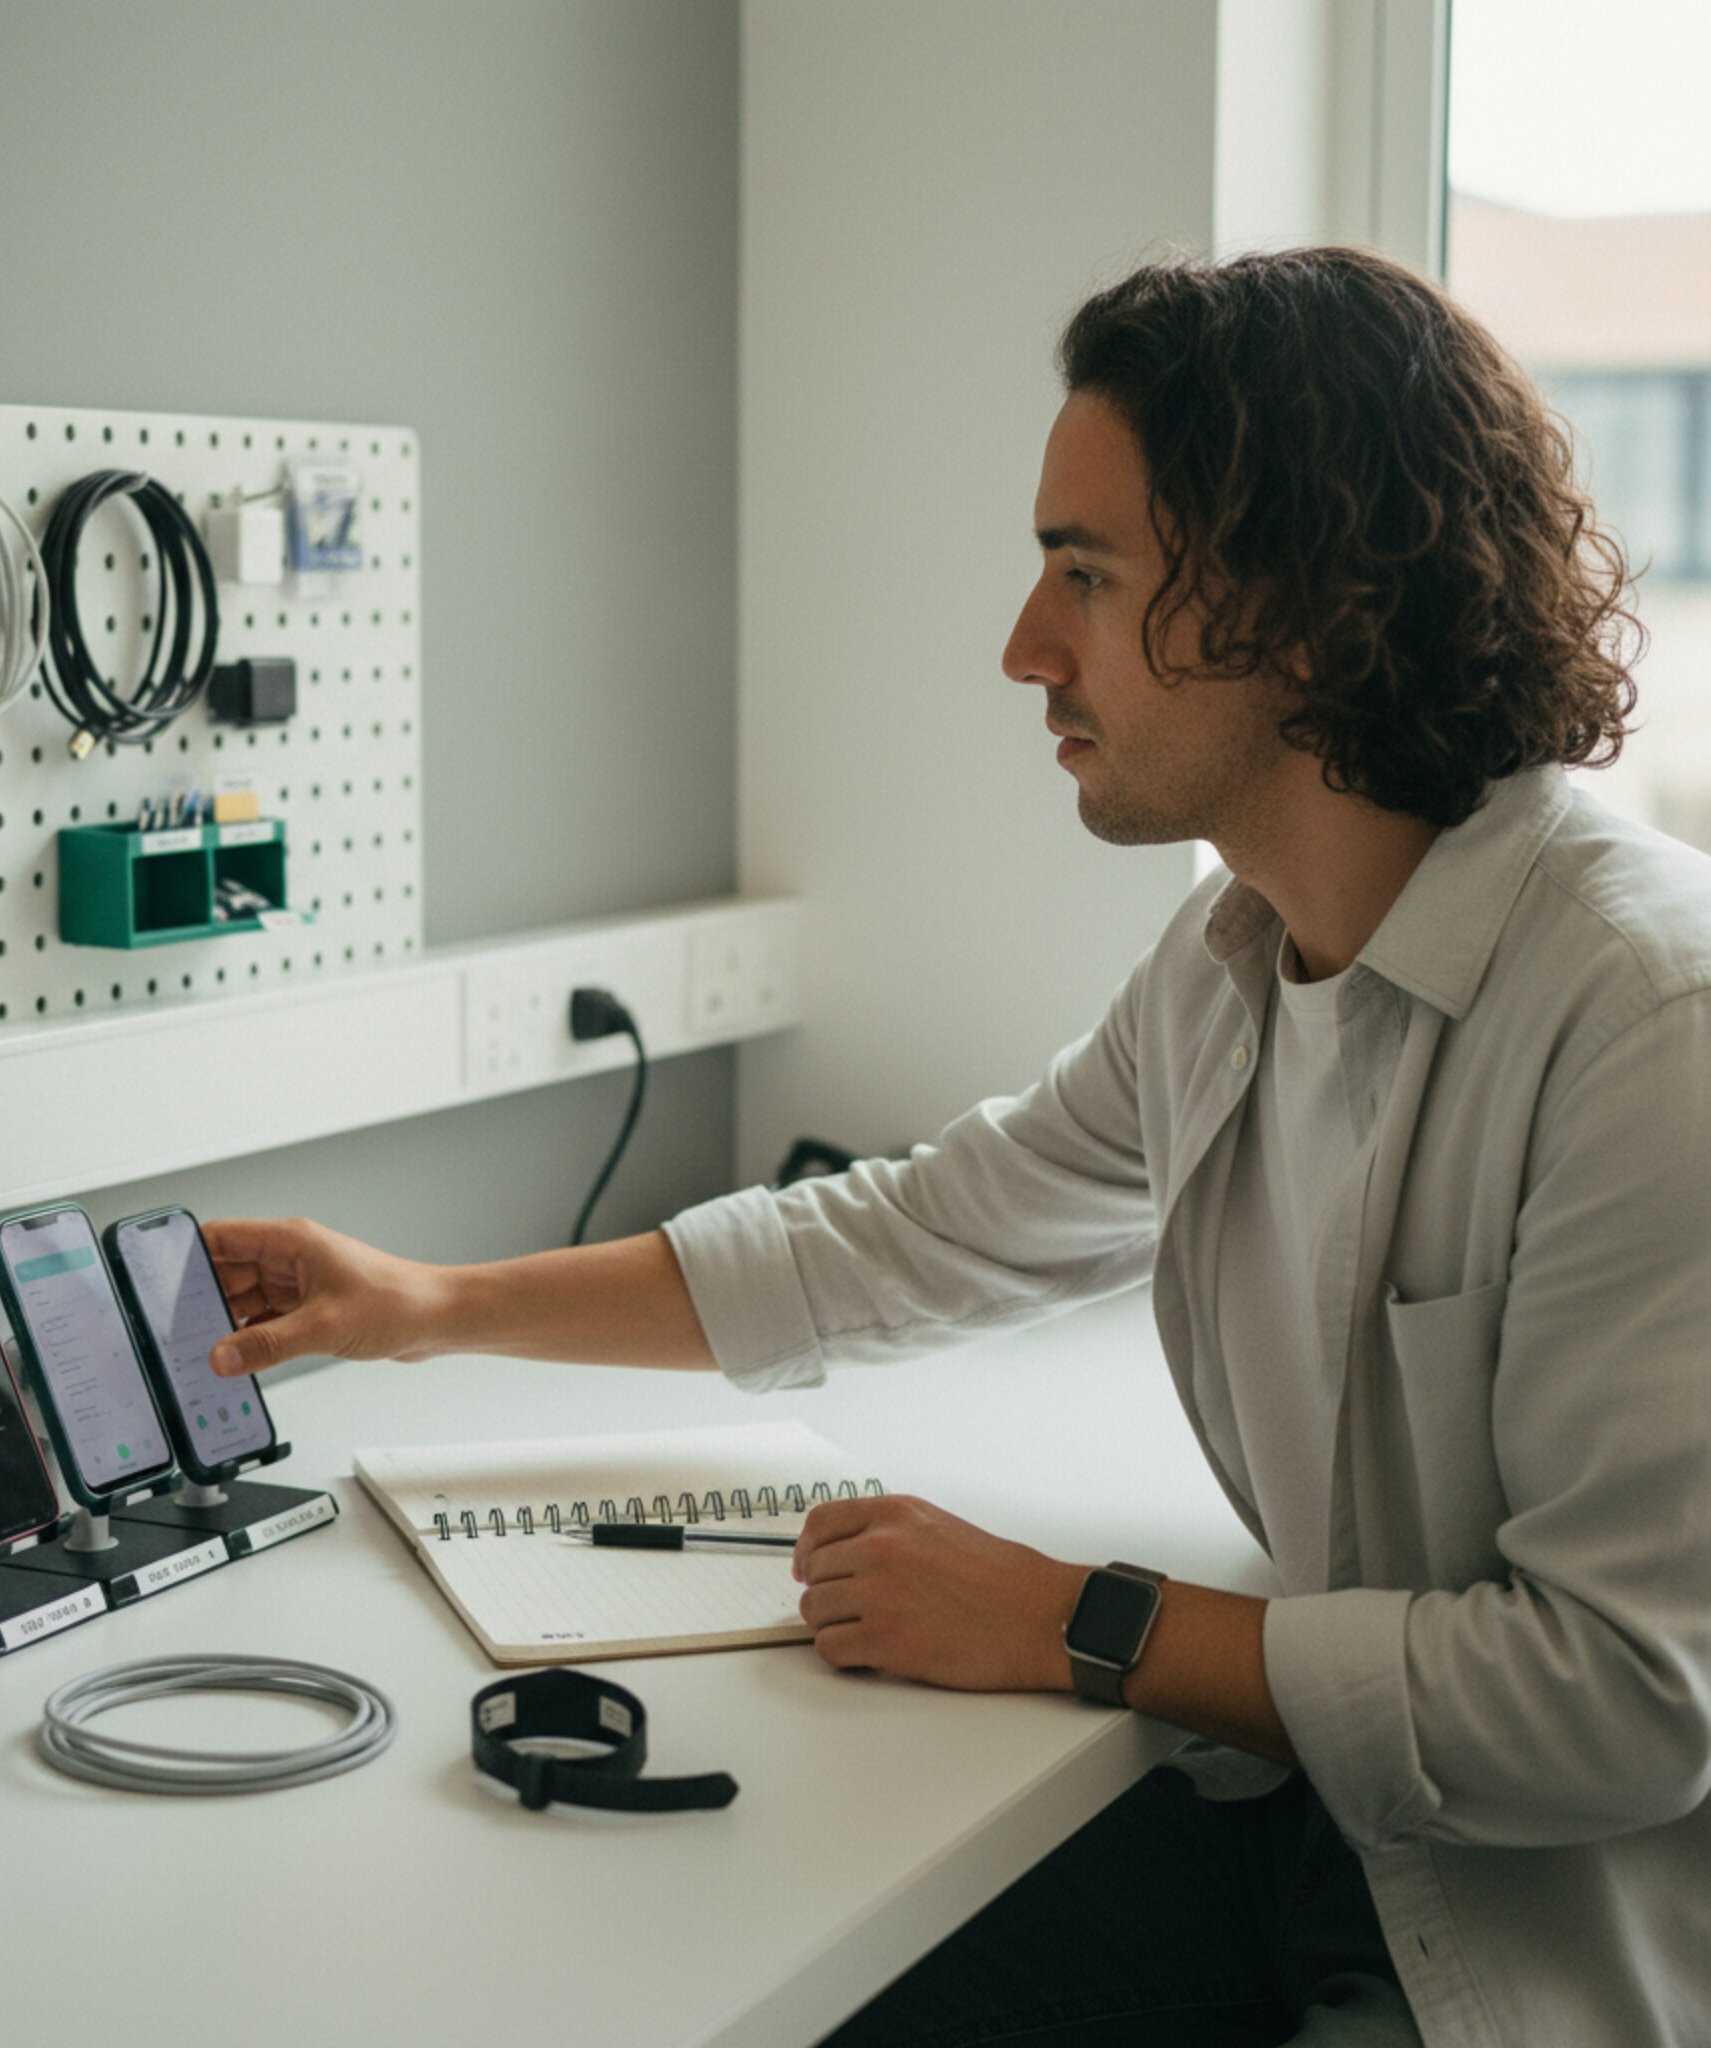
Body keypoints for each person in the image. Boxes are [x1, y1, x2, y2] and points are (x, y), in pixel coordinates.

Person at [200, 249, 1711, 2047]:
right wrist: (428, 1301)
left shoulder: (1642, 1023)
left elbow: (1626, 1701)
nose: (1024, 645)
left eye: (1087, 573)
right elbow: (906, 1238)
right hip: (1326, 1835)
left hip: (1528, 1950)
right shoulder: (1233, 959)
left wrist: (1084, 1625)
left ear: (1308, 606)